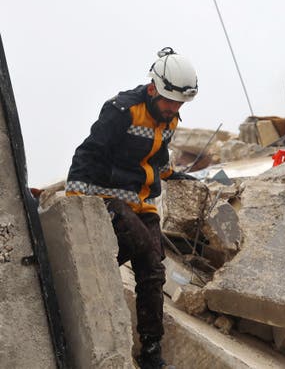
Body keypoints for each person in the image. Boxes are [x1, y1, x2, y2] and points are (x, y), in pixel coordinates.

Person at [65, 47, 199, 369]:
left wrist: (169, 174)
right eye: (169, 102)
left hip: (142, 201)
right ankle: (93, 274)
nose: (173, 109)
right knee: (139, 245)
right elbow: (87, 153)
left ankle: (151, 351)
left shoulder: (170, 118)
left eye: (179, 104)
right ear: (153, 89)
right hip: (107, 198)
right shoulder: (122, 110)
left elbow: (157, 153)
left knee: (153, 271)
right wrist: (74, 200)